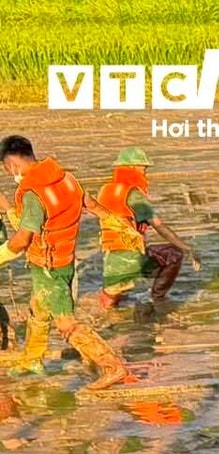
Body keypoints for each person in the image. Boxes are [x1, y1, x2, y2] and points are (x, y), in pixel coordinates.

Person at [0, 136, 130, 390]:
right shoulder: (67, 179)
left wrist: (2, 252)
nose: (8, 173)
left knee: (66, 323)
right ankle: (32, 359)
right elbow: (92, 205)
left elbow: (22, 239)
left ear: (12, 165)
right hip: (65, 259)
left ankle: (112, 366)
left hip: (48, 266)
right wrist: (119, 224)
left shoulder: (32, 194)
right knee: (38, 310)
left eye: (6, 168)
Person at [93, 147, 198, 310]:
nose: (145, 173)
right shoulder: (133, 194)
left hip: (110, 255)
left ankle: (107, 306)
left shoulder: (105, 190)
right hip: (131, 255)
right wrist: (186, 247)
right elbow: (158, 225)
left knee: (112, 293)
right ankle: (158, 298)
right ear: (132, 168)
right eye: (143, 168)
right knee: (174, 254)